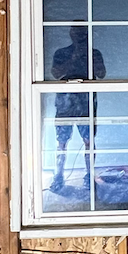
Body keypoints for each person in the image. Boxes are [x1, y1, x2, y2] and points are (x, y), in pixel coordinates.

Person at [49, 25, 105, 194]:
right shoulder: (61, 53)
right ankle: (58, 176)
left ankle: (89, 176)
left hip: (86, 102)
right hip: (65, 102)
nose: (79, 36)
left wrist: (89, 59)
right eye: (76, 32)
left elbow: (101, 74)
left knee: (89, 142)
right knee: (61, 141)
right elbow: (55, 74)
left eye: (82, 33)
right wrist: (73, 58)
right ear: (71, 34)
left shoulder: (94, 53)